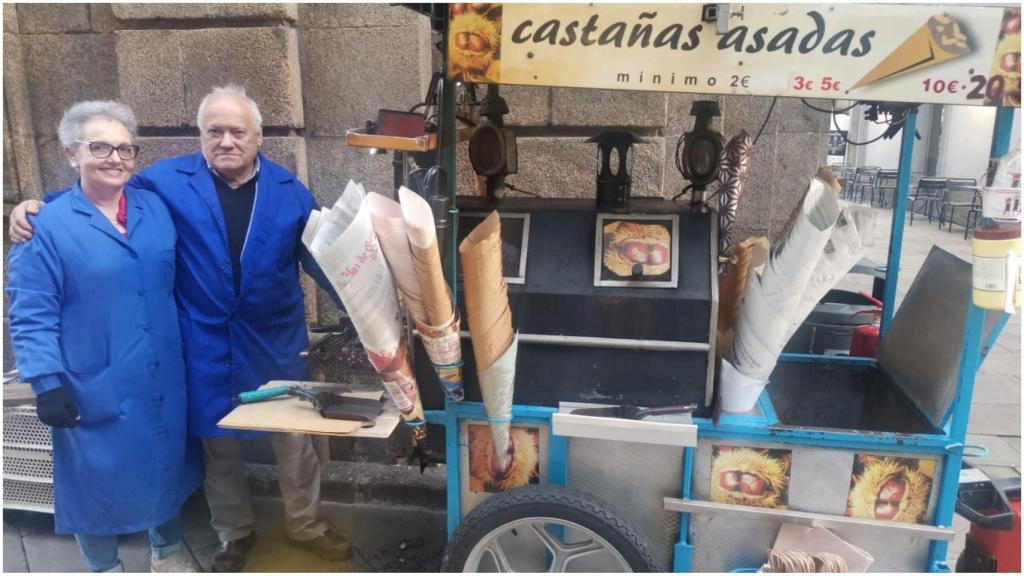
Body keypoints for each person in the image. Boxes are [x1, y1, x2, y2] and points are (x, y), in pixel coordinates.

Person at [10, 86, 351, 572]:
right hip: (204, 344)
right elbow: (100, 190)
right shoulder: (166, 181)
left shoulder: (289, 190)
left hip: (272, 342)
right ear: (200, 135)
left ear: (258, 136)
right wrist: (33, 207)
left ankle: (307, 525)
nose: (227, 140)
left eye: (238, 131)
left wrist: (358, 311)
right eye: (215, 131)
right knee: (218, 448)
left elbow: (321, 260)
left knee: (294, 443)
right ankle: (233, 533)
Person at [6, 101, 202, 572]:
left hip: (160, 372)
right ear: (71, 154)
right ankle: (104, 567)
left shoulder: (154, 207)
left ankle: (167, 554)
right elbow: (30, 311)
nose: (115, 158)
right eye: (99, 147)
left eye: (124, 148)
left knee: (164, 465)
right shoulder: (45, 226)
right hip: (92, 379)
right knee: (92, 479)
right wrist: (46, 383)